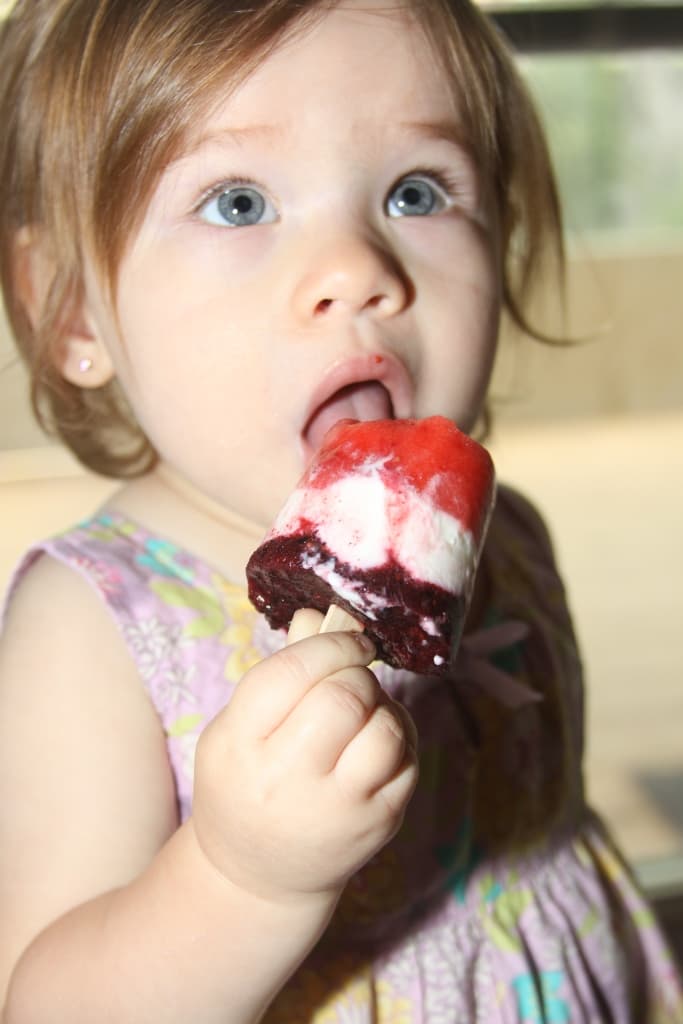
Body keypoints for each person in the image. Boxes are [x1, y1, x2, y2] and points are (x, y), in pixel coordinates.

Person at [0, 0, 681, 1019]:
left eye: (416, 190)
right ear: (70, 311)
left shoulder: (507, 535)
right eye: (236, 202)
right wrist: (239, 878)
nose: (356, 270)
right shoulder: (88, 630)